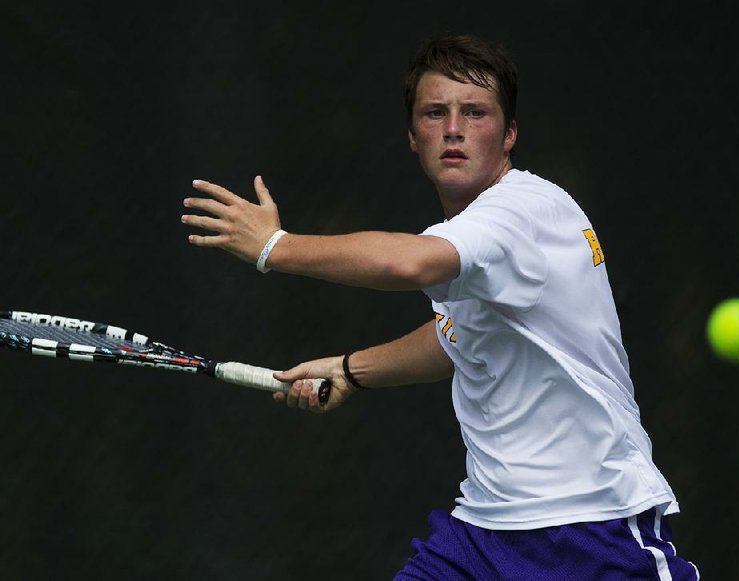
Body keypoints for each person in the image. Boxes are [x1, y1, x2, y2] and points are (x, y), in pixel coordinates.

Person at [182, 34, 699, 580]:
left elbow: (410, 265)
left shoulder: (523, 212)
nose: (454, 128)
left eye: (475, 112)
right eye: (435, 112)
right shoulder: (476, 243)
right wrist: (351, 370)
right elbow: (457, 337)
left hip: (592, 531)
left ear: (510, 134)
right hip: (478, 537)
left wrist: (274, 247)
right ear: (412, 136)